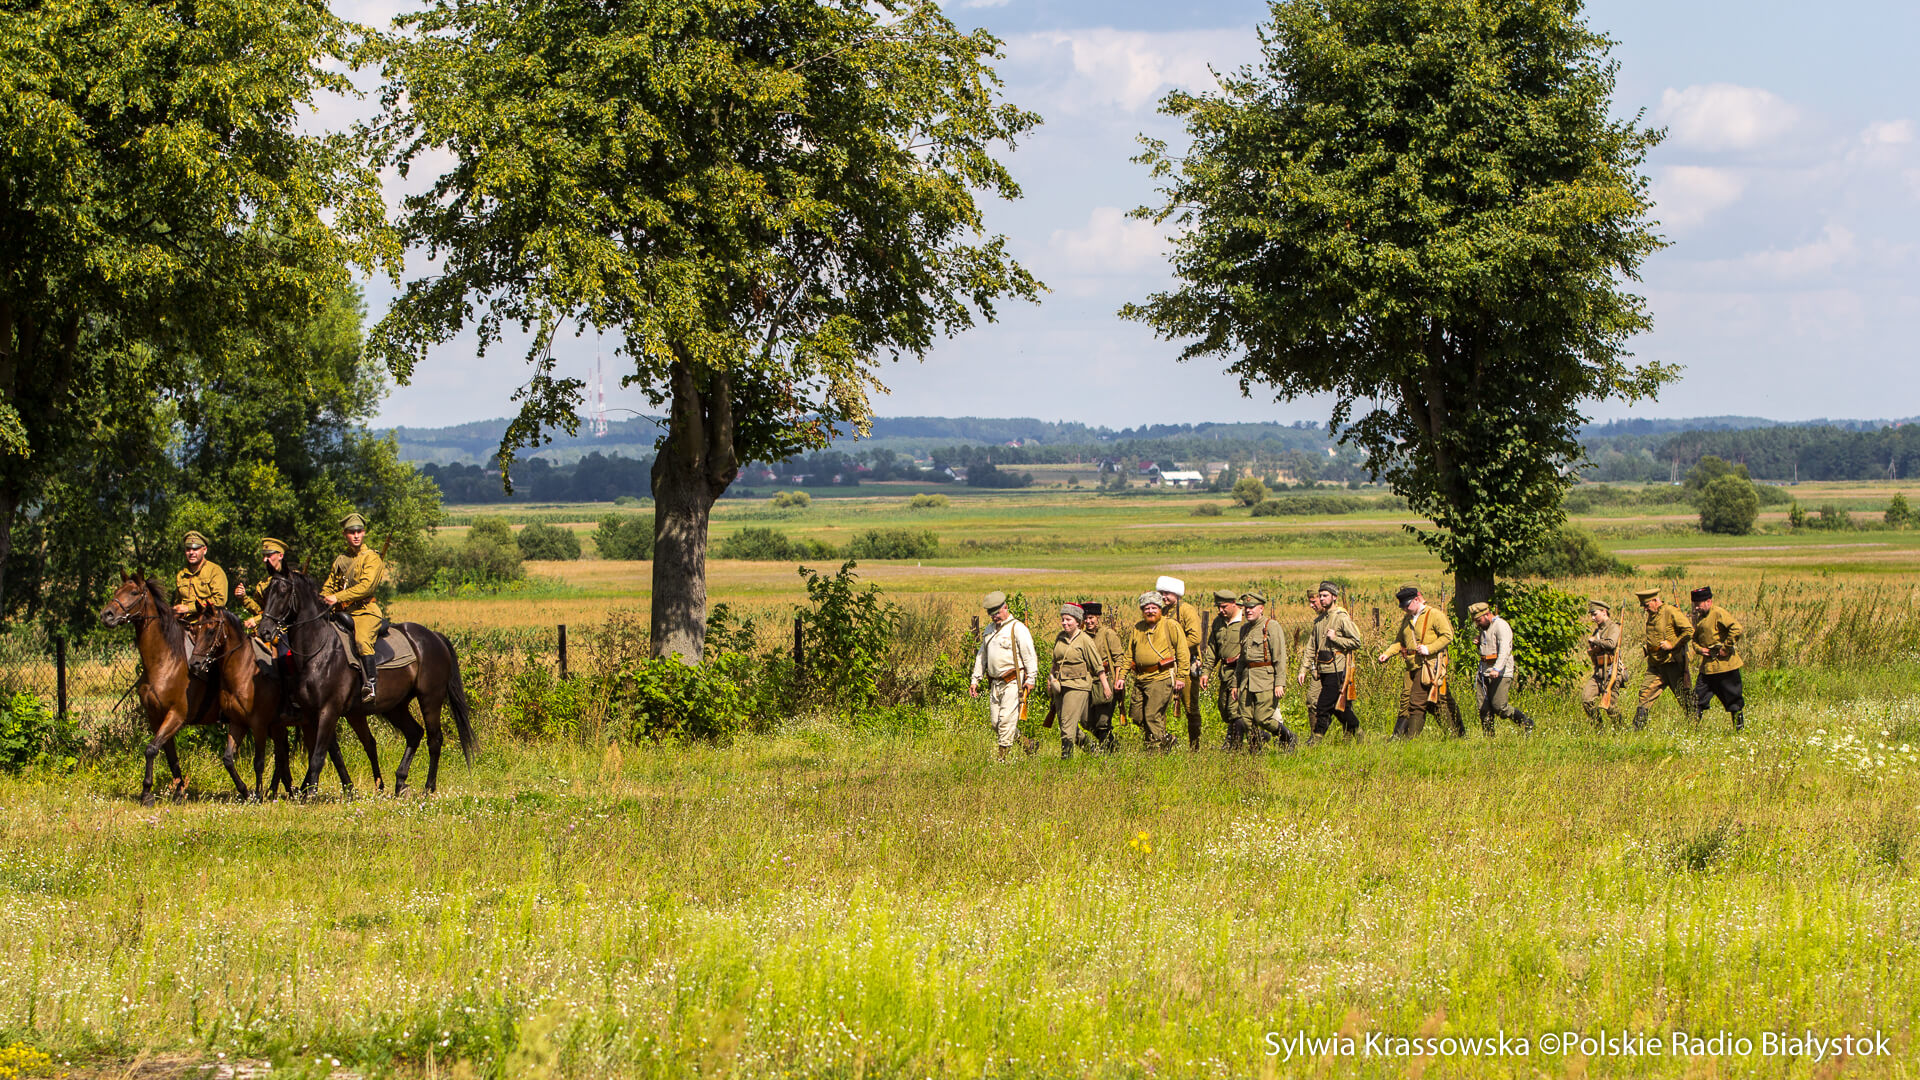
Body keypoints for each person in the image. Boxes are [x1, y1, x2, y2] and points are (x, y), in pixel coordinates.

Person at [1378, 583, 1463, 737]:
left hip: (1428, 665)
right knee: (1427, 702)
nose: (1405, 609)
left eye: (1407, 605)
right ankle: (1454, 734)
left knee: (1419, 702)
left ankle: (1410, 739)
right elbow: (1400, 641)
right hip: (1412, 664)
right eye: (1403, 606)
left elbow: (1447, 636)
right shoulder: (1408, 619)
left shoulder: (1434, 614)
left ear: (1416, 600)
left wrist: (1429, 649)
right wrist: (1387, 654)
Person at [320, 513, 387, 701]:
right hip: (342, 612)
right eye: (351, 532)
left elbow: (366, 587)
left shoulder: (371, 558)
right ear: (345, 534)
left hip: (365, 611)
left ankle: (370, 684)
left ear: (364, 533)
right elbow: (330, 585)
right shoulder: (341, 560)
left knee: (362, 640)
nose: (356, 535)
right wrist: (322, 597)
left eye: (359, 531)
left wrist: (337, 597)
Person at [969, 591, 1038, 761]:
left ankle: (1001, 760)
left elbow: (1030, 656)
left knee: (1006, 721)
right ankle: (1027, 744)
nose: (995, 617)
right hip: (995, 683)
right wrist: (975, 680)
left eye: (997, 613)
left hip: (1014, 682)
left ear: (1005, 607)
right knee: (996, 723)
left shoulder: (1018, 628)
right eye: (991, 614)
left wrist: (1031, 679)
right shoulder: (989, 630)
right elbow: (982, 656)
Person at [1298, 581, 1363, 743]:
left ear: (1334, 597)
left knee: (1324, 705)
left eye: (1325, 595)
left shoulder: (1341, 617)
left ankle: (1317, 738)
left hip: (1337, 669)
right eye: (1320, 596)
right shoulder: (1319, 621)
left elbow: (1356, 642)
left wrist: (1336, 638)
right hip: (1322, 668)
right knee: (1335, 707)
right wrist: (1303, 669)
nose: (1321, 599)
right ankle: (1357, 731)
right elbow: (1311, 647)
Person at [1126, 592, 1190, 752]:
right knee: (1136, 716)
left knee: (1152, 715)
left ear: (1160, 609)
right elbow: (1128, 654)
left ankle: (1154, 751)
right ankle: (1167, 739)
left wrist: (1181, 676)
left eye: (1154, 608)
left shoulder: (1170, 625)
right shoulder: (1138, 628)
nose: (1150, 611)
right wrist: (1121, 677)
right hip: (1141, 678)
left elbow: (1182, 652)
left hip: (1161, 677)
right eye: (1146, 608)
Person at [1047, 604, 1112, 759]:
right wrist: (1051, 679)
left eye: (1068, 620)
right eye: (1063, 619)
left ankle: (1066, 760)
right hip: (1060, 685)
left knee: (1067, 724)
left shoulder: (1084, 640)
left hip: (1078, 685)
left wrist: (1105, 686)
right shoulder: (1060, 637)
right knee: (1065, 724)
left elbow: (1097, 665)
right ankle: (1093, 750)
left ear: (1077, 621)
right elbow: (1055, 661)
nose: (1064, 623)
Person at [1235, 590, 1295, 751]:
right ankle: (1255, 749)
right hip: (1247, 679)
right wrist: (1235, 684)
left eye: (1252, 607)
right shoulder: (1244, 629)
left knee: (1262, 717)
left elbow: (1279, 656)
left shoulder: (1271, 626)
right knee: (1246, 719)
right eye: (1246, 608)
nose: (1248, 610)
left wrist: (1279, 683)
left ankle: (1288, 737)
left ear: (1261, 608)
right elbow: (1242, 660)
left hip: (1265, 679)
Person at [1633, 587, 1694, 729]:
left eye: (1646, 605)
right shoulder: (1652, 615)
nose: (1645, 609)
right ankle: (1636, 729)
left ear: (1655, 601)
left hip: (1672, 663)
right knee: (1645, 694)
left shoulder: (1670, 611)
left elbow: (1689, 631)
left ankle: (1694, 725)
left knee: (1683, 697)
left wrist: (1672, 644)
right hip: (1655, 664)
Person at [1156, 576, 1205, 750]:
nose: (1164, 597)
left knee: (1191, 707)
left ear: (1176, 594)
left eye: (1167, 593)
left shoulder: (1186, 610)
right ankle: (1163, 742)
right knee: (1160, 705)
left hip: (1187, 663)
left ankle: (1195, 746)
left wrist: (1175, 649)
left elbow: (1195, 637)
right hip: (1167, 665)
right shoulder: (1162, 612)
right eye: (1162, 593)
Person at [1469, 601, 1533, 734]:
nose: (1477, 624)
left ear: (1487, 615)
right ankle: (1489, 738)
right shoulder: (1484, 628)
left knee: (1500, 707)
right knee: (1483, 708)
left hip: (1501, 672)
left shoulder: (1501, 626)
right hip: (1484, 670)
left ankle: (1526, 722)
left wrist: (1497, 668)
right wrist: (1479, 642)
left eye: (1479, 620)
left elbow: (1505, 650)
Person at [1689, 586, 1746, 730]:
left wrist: (1725, 648)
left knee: (1734, 701)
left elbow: (1737, 629)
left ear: (1708, 601)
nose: (1696, 608)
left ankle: (1739, 731)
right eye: (1695, 604)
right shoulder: (1699, 618)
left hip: (1726, 667)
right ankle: (1691, 731)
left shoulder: (1718, 613)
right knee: (1697, 700)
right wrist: (1700, 649)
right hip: (1708, 669)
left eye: (1699, 604)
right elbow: (1694, 639)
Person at [1199, 589, 1244, 748]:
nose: (1220, 610)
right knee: (1223, 707)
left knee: (1234, 708)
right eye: (1218, 607)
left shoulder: (1244, 621)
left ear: (1234, 604)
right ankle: (1258, 735)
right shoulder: (1219, 622)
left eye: (1224, 606)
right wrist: (1206, 672)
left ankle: (1234, 744)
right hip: (1225, 671)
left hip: (1240, 672)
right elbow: (1212, 649)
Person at [1082, 602, 1127, 752]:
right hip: (1088, 681)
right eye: (1086, 618)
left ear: (1098, 617)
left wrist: (1117, 680)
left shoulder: (1108, 634)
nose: (1088, 621)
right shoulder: (1081, 636)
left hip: (1106, 680)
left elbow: (1118, 658)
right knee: (1086, 721)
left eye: (1091, 618)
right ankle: (1112, 745)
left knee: (1103, 721)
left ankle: (1107, 754)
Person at [1579, 599, 1626, 727]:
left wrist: (1596, 641)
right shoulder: (1598, 631)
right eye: (1592, 615)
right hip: (1598, 672)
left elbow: (1611, 643)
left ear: (1604, 612)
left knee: (1611, 707)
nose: (1593, 618)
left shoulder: (1613, 627)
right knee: (1586, 699)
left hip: (1611, 671)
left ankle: (1621, 729)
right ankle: (1598, 727)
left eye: (1595, 614)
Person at [173, 530, 230, 623]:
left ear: (204, 550)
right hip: (185, 622)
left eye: (195, 549)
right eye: (188, 549)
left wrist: (189, 608)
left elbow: (219, 601)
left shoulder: (214, 571)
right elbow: (178, 601)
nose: (191, 552)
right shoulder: (181, 575)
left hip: (209, 622)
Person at [236, 537, 289, 629]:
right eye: (264, 556)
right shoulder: (263, 584)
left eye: (269, 555)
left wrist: (256, 620)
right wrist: (243, 597)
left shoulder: (291, 580)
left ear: (280, 556)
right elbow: (259, 610)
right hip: (269, 630)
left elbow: (282, 609)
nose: (265, 560)